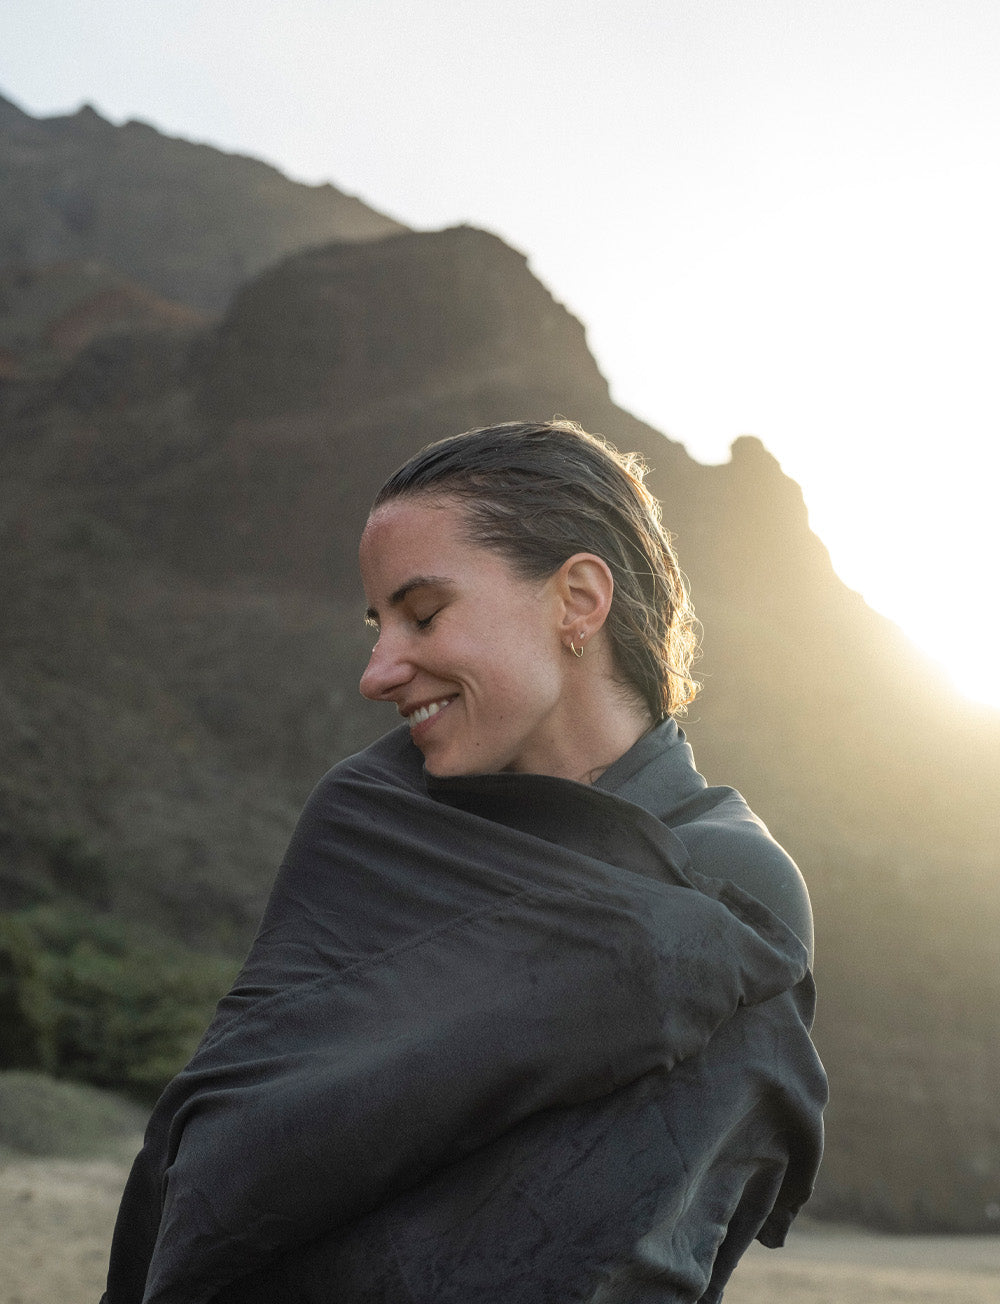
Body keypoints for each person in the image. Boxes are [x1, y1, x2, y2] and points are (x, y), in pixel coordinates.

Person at [102, 420, 826, 1304]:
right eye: (379, 624)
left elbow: (615, 1255)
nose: (377, 671)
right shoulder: (370, 823)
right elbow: (223, 1131)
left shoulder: (721, 891)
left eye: (423, 614)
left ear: (579, 600)